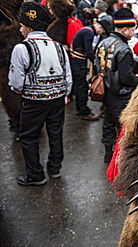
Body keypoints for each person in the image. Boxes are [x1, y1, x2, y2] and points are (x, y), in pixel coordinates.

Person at [8, 2, 72, 185]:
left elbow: (16, 82)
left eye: (21, 26)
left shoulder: (22, 49)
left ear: (28, 27)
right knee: (55, 133)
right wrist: (63, 94)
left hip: (34, 101)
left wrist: (24, 92)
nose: (20, 30)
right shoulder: (59, 47)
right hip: (57, 99)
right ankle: (55, 168)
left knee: (28, 136)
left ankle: (36, 175)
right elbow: (68, 76)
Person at [95, 8, 138, 163]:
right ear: (125, 29)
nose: (134, 32)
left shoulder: (104, 42)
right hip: (121, 95)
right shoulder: (123, 49)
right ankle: (121, 158)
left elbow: (97, 65)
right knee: (123, 127)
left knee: (108, 124)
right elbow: (126, 77)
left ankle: (108, 153)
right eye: (133, 29)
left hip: (107, 92)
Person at [70, 18, 110, 120]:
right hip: (78, 61)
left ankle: (80, 108)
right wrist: (98, 64)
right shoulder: (89, 33)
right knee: (82, 87)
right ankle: (84, 111)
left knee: (79, 86)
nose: (101, 34)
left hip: (76, 59)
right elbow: (89, 51)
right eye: (102, 31)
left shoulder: (86, 30)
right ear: (100, 27)